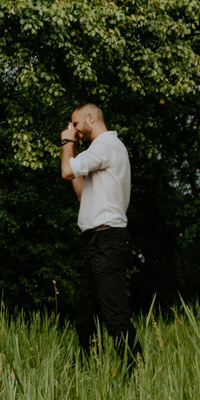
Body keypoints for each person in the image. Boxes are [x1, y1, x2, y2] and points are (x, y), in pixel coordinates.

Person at [60, 102, 140, 368]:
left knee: (115, 315)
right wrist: (72, 159)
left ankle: (136, 375)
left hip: (107, 240)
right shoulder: (101, 152)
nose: (74, 129)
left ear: (91, 118)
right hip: (96, 242)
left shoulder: (105, 146)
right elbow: (83, 192)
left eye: (76, 123)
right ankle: (88, 371)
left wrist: (66, 144)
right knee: (85, 316)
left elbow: (66, 170)